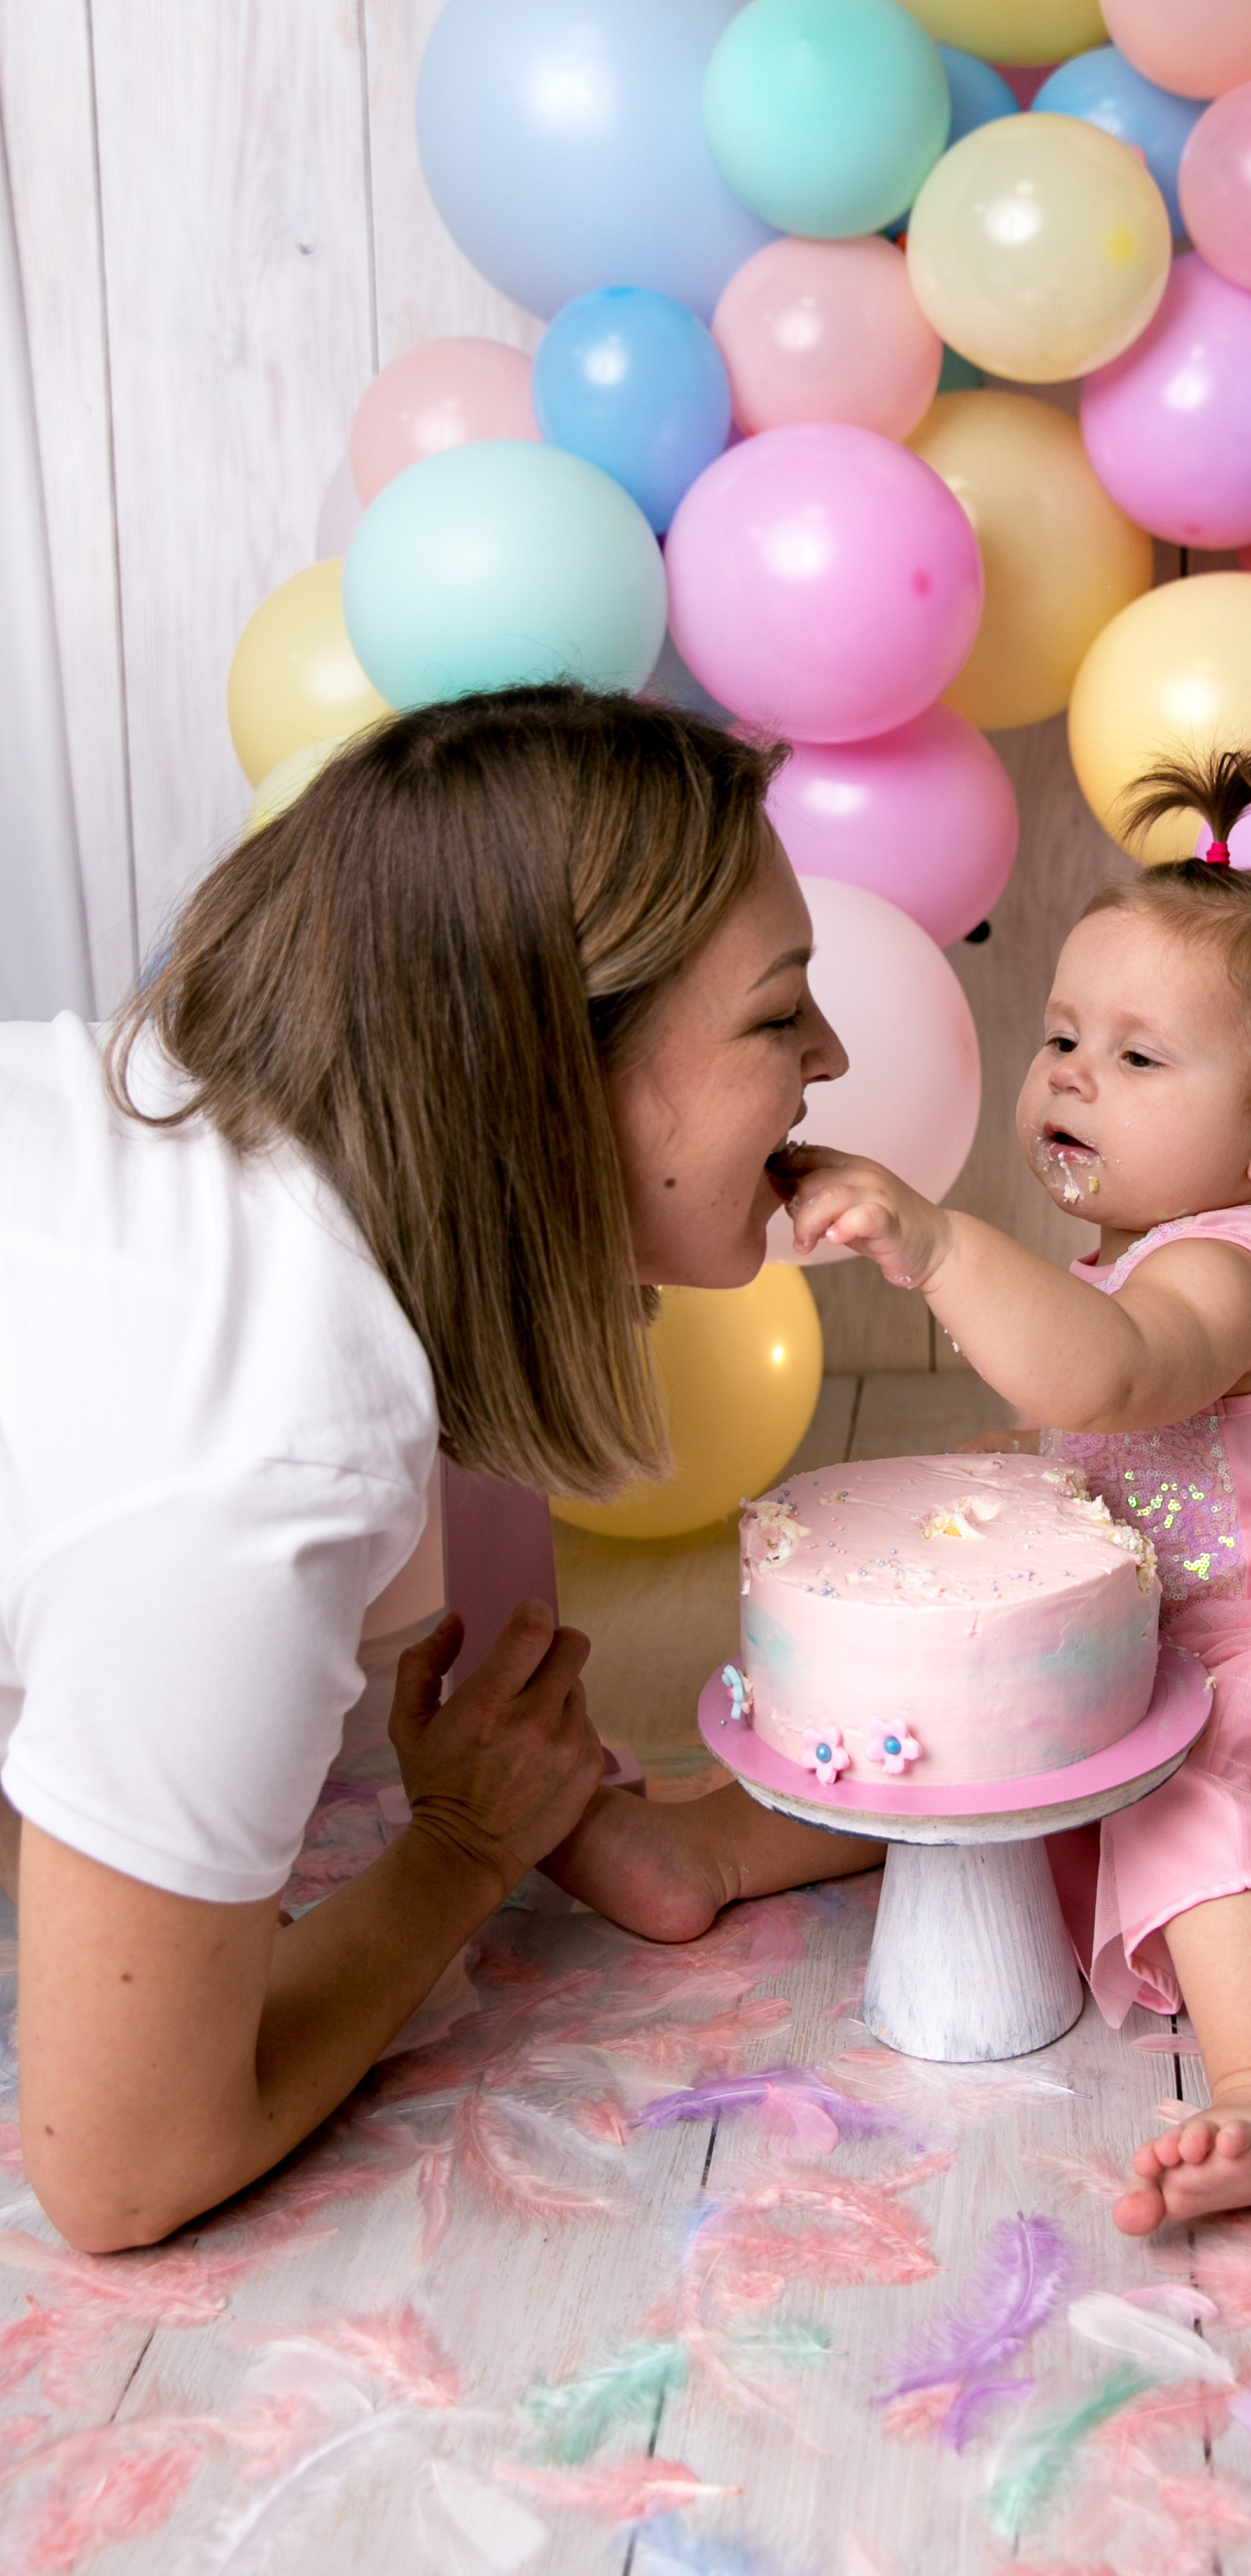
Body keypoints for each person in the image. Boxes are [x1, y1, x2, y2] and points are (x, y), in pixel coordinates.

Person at [0, 686, 878, 2254]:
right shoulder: (258, 1453)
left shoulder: (183, 1143)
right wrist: (463, 1856)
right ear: (548, 1068)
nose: (832, 1052)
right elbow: (116, 2170)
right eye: (774, 1013)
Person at [781, 750, 1251, 2232]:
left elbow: (1111, 1380)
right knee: (935, 1735)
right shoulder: (1127, 1262)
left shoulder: (1234, 1271)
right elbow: (1100, 1437)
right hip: (1139, 1647)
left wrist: (934, 1244)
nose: (1067, 1074)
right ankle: (717, 1838)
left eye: (1135, 1057)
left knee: (1201, 1789)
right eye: (1063, 1036)